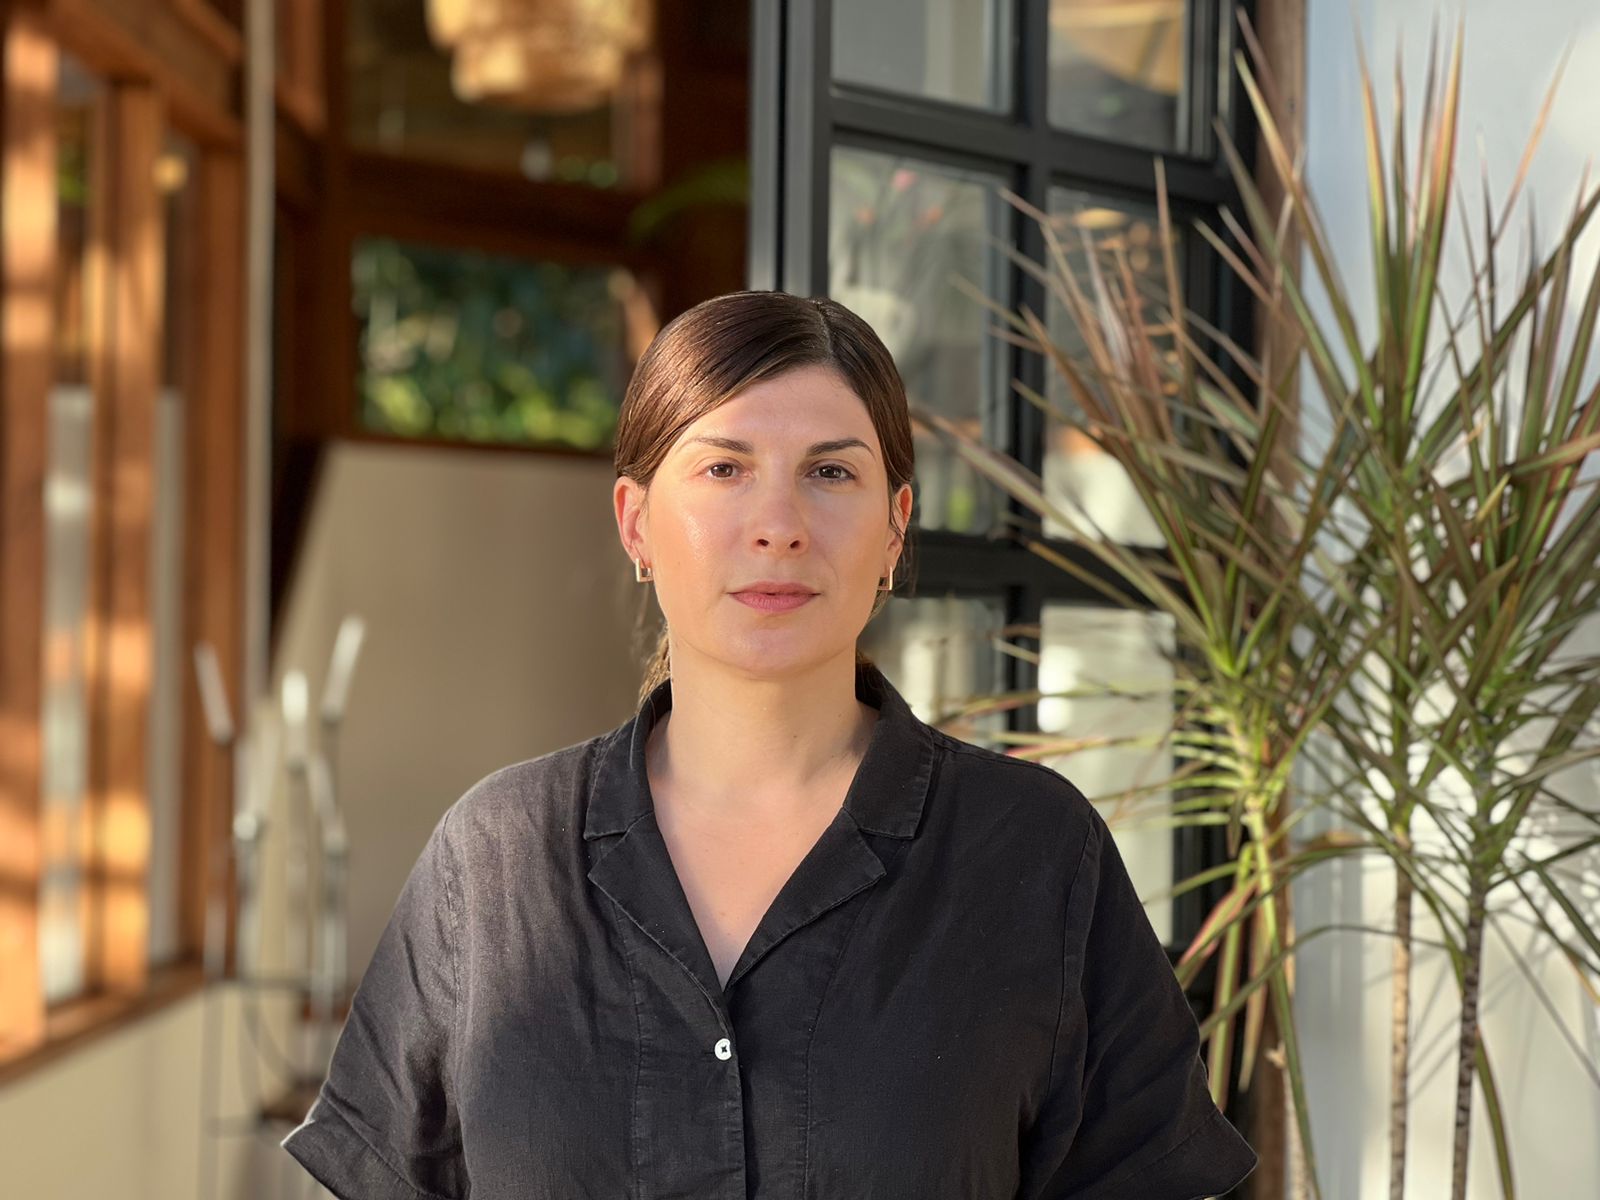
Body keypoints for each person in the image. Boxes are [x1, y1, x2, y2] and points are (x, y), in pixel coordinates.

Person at [281, 290, 1258, 1199]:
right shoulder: (494, 860)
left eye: (831, 472)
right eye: (723, 468)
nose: (779, 526)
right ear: (636, 525)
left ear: (893, 529)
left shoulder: (1034, 853)